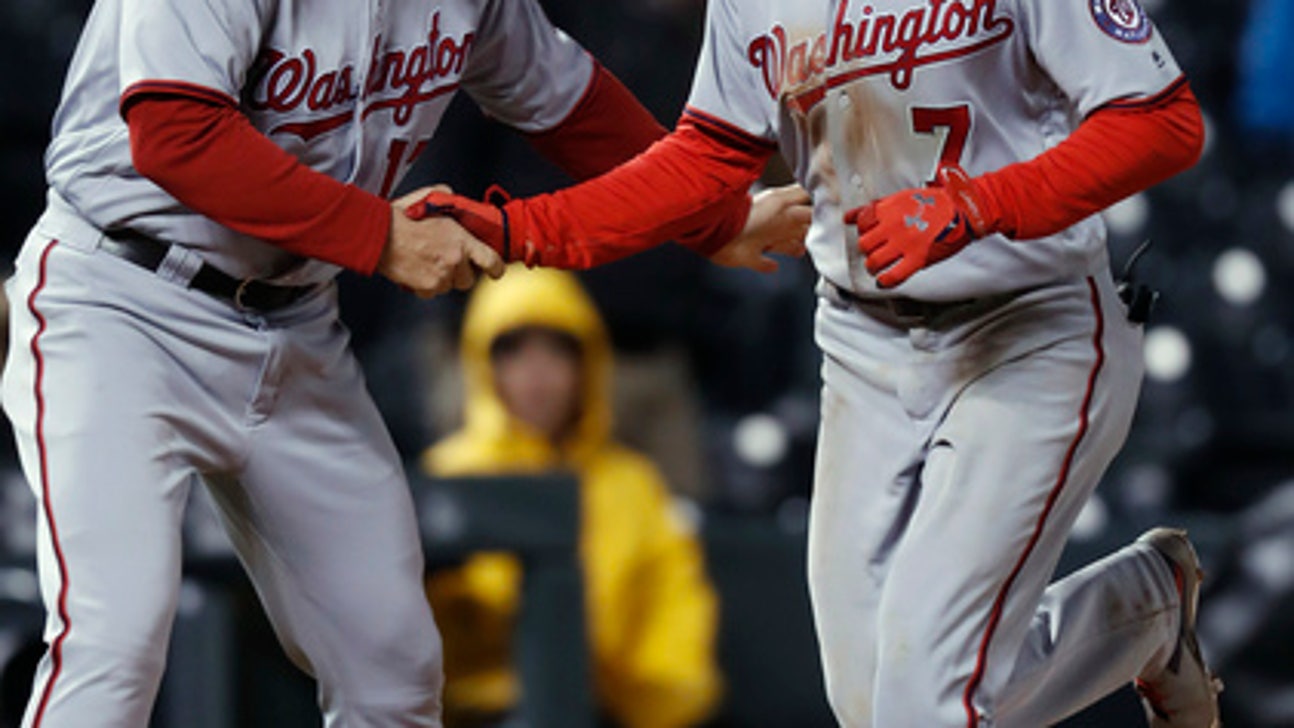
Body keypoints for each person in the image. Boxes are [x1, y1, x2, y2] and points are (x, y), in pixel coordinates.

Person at [412, 0, 1223, 725]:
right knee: (870, 703)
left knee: (923, 701)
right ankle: (1145, 605)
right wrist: (523, 229)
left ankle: (1146, 609)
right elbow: (702, 161)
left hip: (1030, 325)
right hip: (861, 341)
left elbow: (1162, 121)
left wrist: (979, 204)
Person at [0, 0, 811, 725]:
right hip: (122, 299)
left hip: (295, 318)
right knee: (114, 644)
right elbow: (176, 130)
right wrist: (380, 235)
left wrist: (712, 220)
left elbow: (570, 104)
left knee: (392, 667)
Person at [423, 267, 722, 728]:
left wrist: (650, 696)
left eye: (557, 351)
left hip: (610, 712)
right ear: (484, 363)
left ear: (588, 363)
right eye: (514, 351)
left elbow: (675, 609)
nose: (537, 374)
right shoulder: (447, 477)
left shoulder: (633, 483)